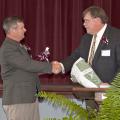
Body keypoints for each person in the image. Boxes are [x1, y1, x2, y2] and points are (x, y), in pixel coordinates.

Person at [56, 6, 120, 109]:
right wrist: (61, 66)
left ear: (97, 20)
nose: (84, 24)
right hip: (89, 95)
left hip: (112, 95)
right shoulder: (86, 38)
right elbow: (75, 56)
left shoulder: (116, 36)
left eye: (86, 21)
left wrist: (111, 85)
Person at [0, 16, 60, 120]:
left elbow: (26, 69)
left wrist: (46, 68)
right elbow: (27, 64)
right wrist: (50, 67)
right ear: (13, 30)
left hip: (27, 98)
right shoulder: (8, 48)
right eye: (22, 28)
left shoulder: (17, 46)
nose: (25, 30)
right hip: (19, 99)